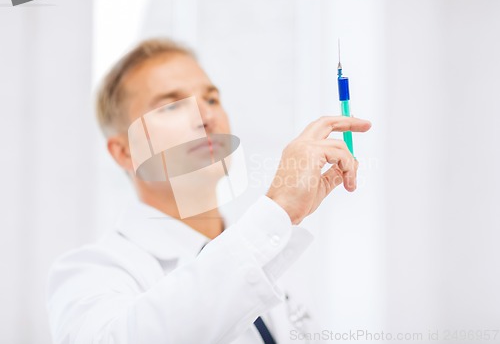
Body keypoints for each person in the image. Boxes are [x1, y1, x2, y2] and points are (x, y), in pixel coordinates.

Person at [46, 38, 372, 343]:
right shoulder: (91, 273)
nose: (206, 116)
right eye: (171, 106)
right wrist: (279, 209)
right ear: (124, 152)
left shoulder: (275, 259)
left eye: (211, 99)